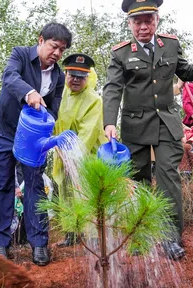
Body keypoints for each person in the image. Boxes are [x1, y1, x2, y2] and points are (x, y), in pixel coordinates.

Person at [102, 0, 193, 261]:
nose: (143, 26)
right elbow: (112, 89)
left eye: (148, 20)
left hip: (167, 123)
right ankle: (140, 235)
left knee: (168, 178)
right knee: (139, 181)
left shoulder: (171, 44)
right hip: (135, 127)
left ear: (157, 19)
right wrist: (109, 121)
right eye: (137, 21)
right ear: (130, 23)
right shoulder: (120, 54)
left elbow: (188, 72)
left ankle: (170, 237)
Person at [0, 22, 72, 266]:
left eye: (62, 50)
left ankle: (39, 244)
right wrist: (29, 93)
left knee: (35, 187)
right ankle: (0, 244)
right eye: (53, 46)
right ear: (40, 40)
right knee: (1, 186)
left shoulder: (58, 75)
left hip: (33, 139)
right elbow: (9, 77)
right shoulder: (20, 55)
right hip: (6, 131)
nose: (56, 53)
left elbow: (54, 104)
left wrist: (50, 124)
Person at [52, 53, 107, 247]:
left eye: (81, 76)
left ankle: (92, 237)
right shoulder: (60, 93)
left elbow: (88, 134)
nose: (76, 80)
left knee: (85, 193)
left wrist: (71, 157)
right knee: (66, 192)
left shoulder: (93, 100)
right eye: (72, 75)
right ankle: (71, 233)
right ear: (66, 74)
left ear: (87, 77)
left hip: (86, 154)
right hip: (62, 152)